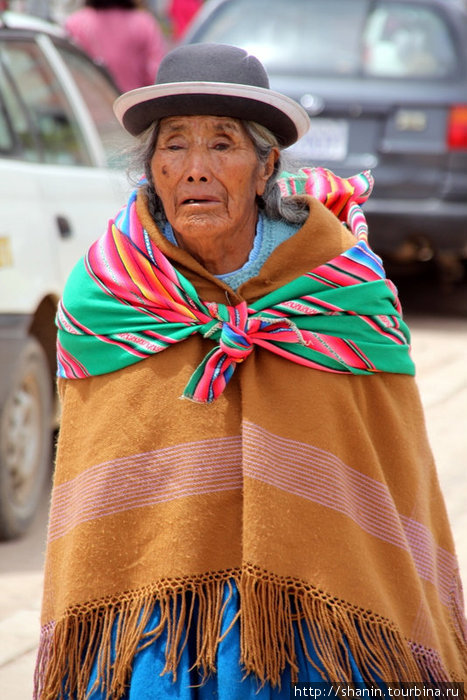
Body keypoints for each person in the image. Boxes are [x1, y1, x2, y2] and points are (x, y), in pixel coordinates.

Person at [34, 43, 466, 699]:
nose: (195, 169)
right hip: (158, 619)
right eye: (173, 146)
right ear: (149, 168)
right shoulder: (111, 295)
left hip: (324, 607)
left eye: (223, 145)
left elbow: (388, 463)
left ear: (265, 166)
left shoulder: (342, 289)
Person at [64, 0, 167, 93]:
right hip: (132, 107)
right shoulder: (144, 23)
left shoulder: (74, 24)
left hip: (86, 109)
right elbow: (157, 75)